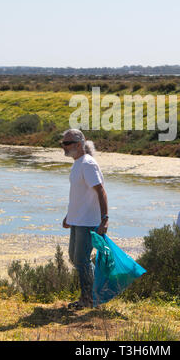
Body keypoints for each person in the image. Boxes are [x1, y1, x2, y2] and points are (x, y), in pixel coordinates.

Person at [61, 129, 109, 310]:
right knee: (75, 258)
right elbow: (80, 195)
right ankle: (90, 296)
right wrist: (69, 216)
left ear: (79, 144)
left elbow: (101, 191)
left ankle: (89, 299)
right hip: (77, 220)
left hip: (88, 221)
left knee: (81, 259)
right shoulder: (78, 163)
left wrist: (104, 219)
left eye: (67, 144)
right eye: (62, 143)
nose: (63, 147)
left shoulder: (88, 164)